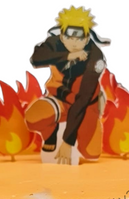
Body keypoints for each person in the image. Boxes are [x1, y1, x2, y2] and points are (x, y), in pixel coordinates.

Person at [25, 6, 109, 164]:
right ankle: (51, 132)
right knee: (33, 117)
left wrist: (67, 142)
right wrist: (68, 56)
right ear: (62, 36)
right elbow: (36, 59)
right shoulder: (54, 43)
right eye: (69, 37)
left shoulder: (95, 58)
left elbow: (82, 99)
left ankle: (86, 127)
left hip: (85, 105)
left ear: (87, 38)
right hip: (59, 98)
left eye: (80, 38)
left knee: (91, 155)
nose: (74, 42)